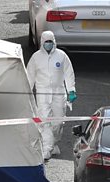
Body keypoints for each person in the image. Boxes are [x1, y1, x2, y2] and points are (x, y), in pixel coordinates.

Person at [26, 31, 76, 160]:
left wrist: (71, 90)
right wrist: (27, 92)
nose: (48, 44)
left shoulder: (61, 56)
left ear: (54, 42)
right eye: (46, 42)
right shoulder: (36, 57)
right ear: (42, 42)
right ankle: (47, 149)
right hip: (42, 94)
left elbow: (68, 73)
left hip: (59, 93)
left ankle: (53, 144)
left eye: (50, 42)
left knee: (58, 123)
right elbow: (29, 76)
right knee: (44, 122)